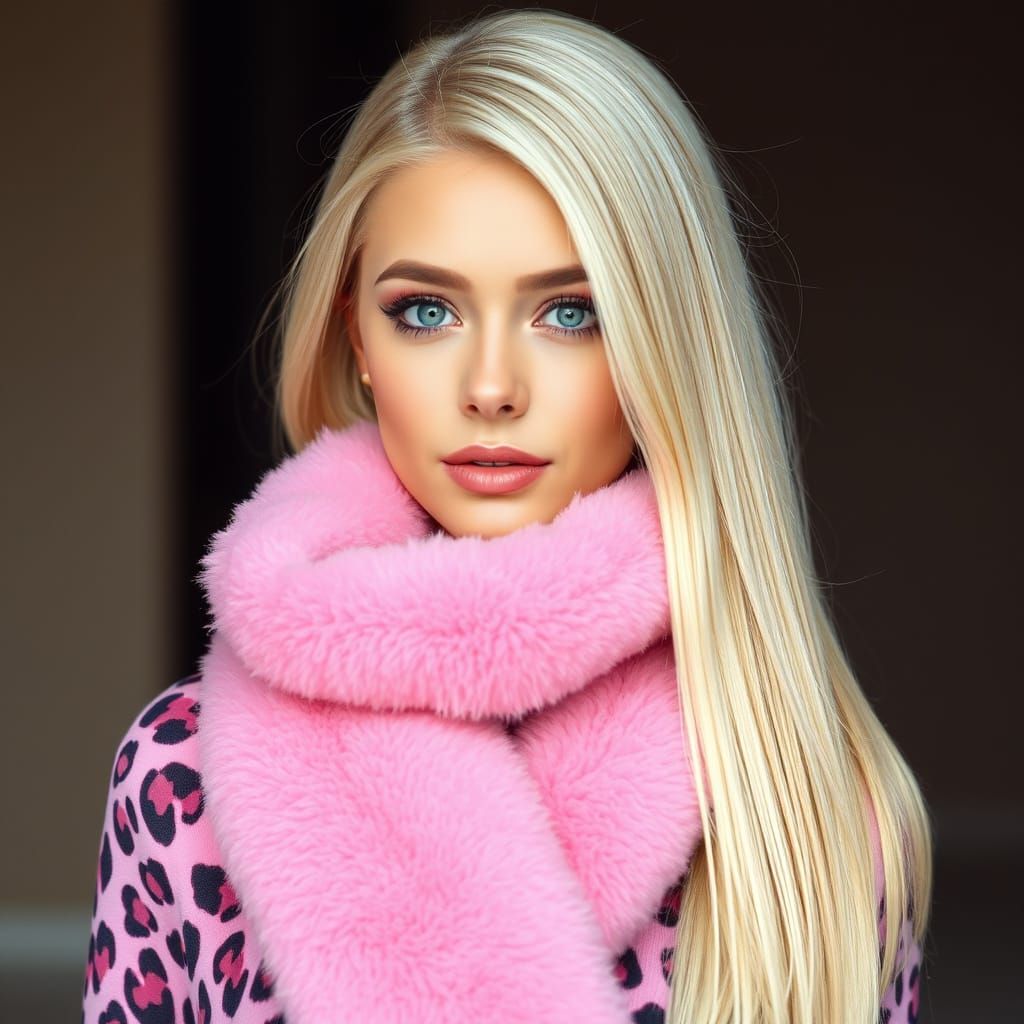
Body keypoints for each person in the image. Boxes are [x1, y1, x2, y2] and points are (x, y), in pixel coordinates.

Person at [82, 9, 930, 1022]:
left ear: (664, 341)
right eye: (426, 311)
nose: (490, 386)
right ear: (356, 336)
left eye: (570, 311)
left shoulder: (800, 803)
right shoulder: (179, 770)